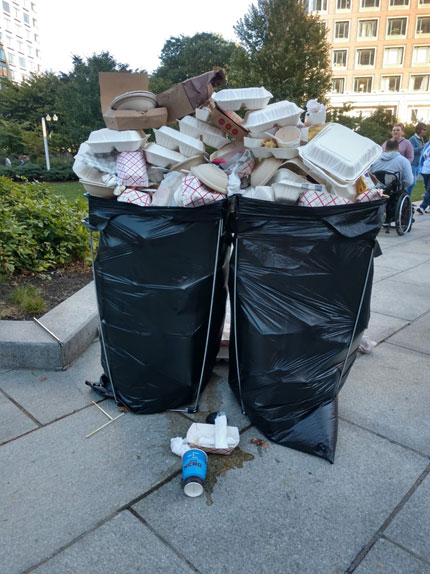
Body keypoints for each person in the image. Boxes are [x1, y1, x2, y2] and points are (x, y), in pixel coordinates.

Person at [407, 122, 427, 196]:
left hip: (418, 164)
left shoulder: (421, 139)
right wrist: (423, 147)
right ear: (419, 130)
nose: (426, 131)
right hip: (412, 164)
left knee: (412, 184)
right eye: (424, 129)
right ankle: (407, 199)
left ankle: (407, 199)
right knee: (412, 183)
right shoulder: (413, 139)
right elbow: (411, 150)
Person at [416, 141, 430, 215]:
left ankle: (422, 207)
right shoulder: (428, 144)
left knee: (429, 190)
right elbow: (423, 157)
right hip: (425, 170)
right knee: (427, 189)